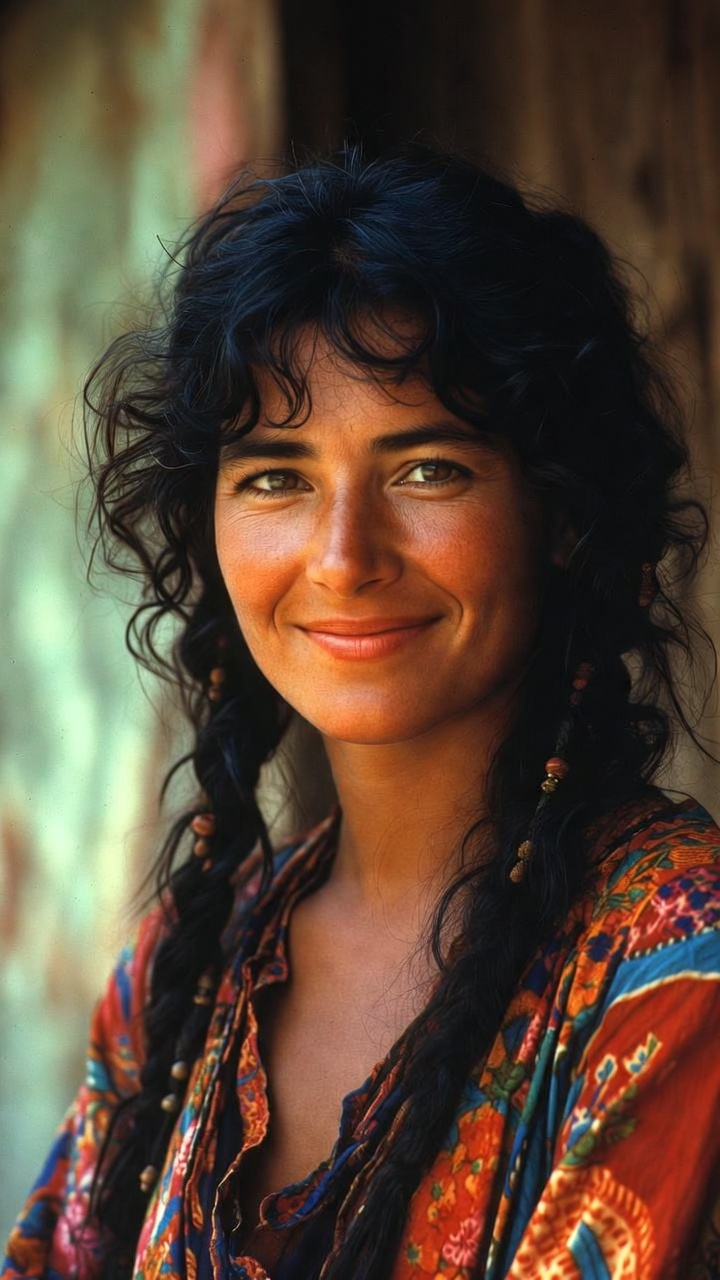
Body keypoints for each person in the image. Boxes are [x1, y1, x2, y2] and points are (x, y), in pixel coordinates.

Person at [3, 145, 719, 1280]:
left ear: (563, 514)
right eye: (277, 476)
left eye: (426, 468)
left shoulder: (680, 965)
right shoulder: (183, 972)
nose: (342, 559)